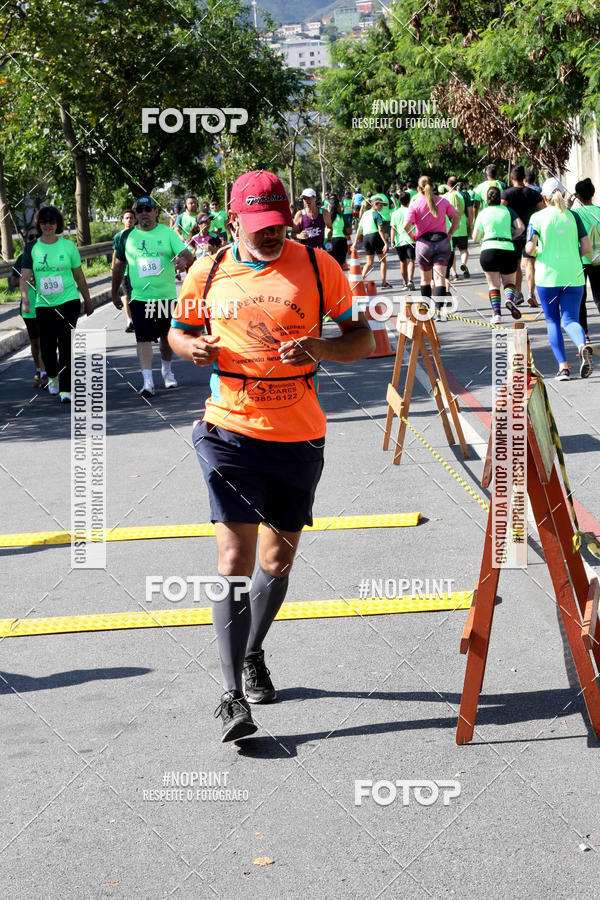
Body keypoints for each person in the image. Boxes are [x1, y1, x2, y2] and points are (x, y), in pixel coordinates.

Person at [168, 170, 374, 742]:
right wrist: (192, 347)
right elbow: (178, 334)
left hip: (298, 434)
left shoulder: (318, 266)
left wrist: (322, 347)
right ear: (234, 219)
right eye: (259, 225)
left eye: (278, 223)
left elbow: (362, 339)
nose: (271, 234)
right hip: (228, 430)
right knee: (234, 558)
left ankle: (253, 649)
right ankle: (231, 695)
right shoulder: (208, 271)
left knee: (277, 562)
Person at [111, 195, 194, 397]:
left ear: (156, 212)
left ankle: (167, 371)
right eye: (140, 211)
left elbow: (187, 255)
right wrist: (114, 292)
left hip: (165, 297)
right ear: (136, 214)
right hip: (139, 298)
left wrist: (183, 261)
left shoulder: (167, 233)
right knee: (143, 339)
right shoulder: (126, 237)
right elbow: (118, 266)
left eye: (148, 209)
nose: (144, 213)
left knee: (166, 337)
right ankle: (147, 381)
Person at [19, 206, 93, 403]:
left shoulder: (68, 246)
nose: (48, 225)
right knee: (47, 347)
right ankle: (52, 375)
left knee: (66, 344)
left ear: (57, 224)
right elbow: (24, 276)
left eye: (51, 222)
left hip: (68, 302)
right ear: (39, 225)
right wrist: (25, 299)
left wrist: (88, 300)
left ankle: (66, 388)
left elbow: (79, 275)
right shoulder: (31, 248)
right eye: (44, 222)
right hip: (43, 305)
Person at [526, 178, 593, 380]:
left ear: (543, 197)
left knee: (553, 321)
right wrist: (571, 255)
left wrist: (539, 252)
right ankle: (581, 344)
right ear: (563, 194)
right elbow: (587, 248)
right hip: (574, 276)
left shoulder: (537, 217)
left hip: (547, 277)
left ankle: (563, 368)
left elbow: (530, 248)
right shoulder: (574, 216)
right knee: (570, 319)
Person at [403, 175, 460, 309]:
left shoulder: (415, 204)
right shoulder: (443, 201)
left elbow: (406, 225)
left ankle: (427, 309)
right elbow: (456, 216)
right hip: (442, 243)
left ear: (419, 189)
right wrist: (450, 233)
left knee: (425, 279)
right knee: (440, 279)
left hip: (424, 244)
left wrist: (413, 236)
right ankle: (438, 310)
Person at [472, 186, 525, 324]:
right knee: (509, 283)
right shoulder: (508, 210)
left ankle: (496, 315)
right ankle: (509, 299)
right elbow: (521, 227)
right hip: (507, 249)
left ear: (487, 199)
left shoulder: (483, 213)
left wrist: (484, 235)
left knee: (493, 285)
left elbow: (475, 237)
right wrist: (511, 236)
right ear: (499, 198)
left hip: (489, 250)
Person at [501, 165, 544, 306]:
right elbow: (543, 210)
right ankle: (531, 293)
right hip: (531, 233)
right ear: (524, 178)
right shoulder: (534, 194)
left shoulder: (506, 194)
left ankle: (518, 293)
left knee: (517, 264)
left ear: (511, 177)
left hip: (513, 233)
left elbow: (500, 211)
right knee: (530, 263)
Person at [12, 227, 47, 387]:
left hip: (47, 305)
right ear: (26, 240)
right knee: (36, 343)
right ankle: (39, 370)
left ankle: (46, 373)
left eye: (37, 236)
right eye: (31, 237)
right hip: (29, 308)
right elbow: (13, 281)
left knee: (46, 340)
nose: (34, 239)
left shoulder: (47, 256)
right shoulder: (22, 258)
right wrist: (26, 278)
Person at [573, 178, 600, 339]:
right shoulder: (598, 211)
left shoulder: (575, 214)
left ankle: (584, 335)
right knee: (599, 297)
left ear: (577, 195)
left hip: (581, 259)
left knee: (580, 300)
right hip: (598, 260)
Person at [352, 196, 391, 287]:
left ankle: (359, 281)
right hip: (376, 237)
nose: (382, 207)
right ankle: (384, 282)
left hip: (366, 238)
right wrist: (385, 243)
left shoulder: (365, 214)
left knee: (369, 262)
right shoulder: (377, 214)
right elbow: (380, 230)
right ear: (375, 204)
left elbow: (359, 230)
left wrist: (355, 243)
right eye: (380, 205)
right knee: (383, 260)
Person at [111, 209, 137, 333]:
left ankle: (141, 319)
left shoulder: (139, 234)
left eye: (131, 218)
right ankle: (130, 320)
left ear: (135, 220)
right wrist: (113, 267)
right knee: (126, 296)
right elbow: (115, 253)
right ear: (122, 220)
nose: (129, 220)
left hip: (137, 272)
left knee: (137, 297)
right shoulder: (118, 236)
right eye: (126, 218)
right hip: (125, 272)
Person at [390, 191, 416, 290]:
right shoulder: (411, 211)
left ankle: (405, 283)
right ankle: (410, 280)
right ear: (409, 201)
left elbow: (393, 228)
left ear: (399, 201)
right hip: (411, 239)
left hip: (399, 241)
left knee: (402, 262)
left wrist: (392, 241)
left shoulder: (395, 213)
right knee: (411, 260)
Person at [446, 176, 470, 278]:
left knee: (452, 251)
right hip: (462, 225)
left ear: (448, 185)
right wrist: (469, 223)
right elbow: (468, 210)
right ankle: (463, 263)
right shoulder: (463, 195)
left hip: (450, 227)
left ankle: (454, 273)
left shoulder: (445, 196)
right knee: (463, 249)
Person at [328, 195, 348, 268]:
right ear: (338, 206)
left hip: (331, 241)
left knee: (332, 265)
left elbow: (327, 231)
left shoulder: (328, 217)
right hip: (342, 240)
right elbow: (347, 230)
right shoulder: (342, 216)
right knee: (341, 265)